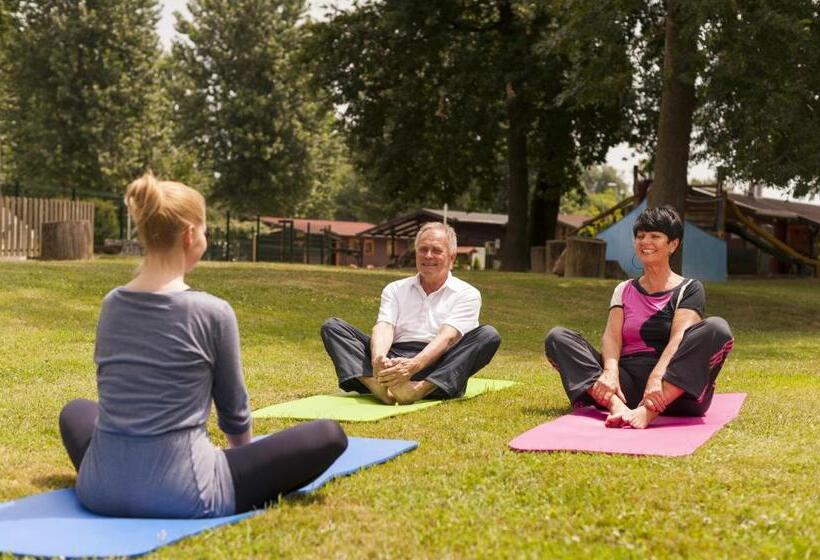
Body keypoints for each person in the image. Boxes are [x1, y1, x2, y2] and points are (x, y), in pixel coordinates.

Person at [58, 171, 348, 518]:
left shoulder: (112, 303)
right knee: (329, 435)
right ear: (190, 235)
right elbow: (233, 410)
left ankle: (124, 475)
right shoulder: (212, 311)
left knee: (75, 410)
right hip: (187, 492)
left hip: (99, 489)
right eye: (206, 230)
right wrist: (242, 461)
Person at [545, 206, 734, 429]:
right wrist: (610, 373)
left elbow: (678, 339)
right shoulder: (623, 289)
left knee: (717, 328)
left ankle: (648, 412)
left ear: (673, 245)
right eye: (640, 236)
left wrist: (656, 378)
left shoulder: (690, 289)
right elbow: (612, 337)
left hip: (674, 391)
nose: (645, 241)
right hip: (625, 388)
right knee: (557, 337)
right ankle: (617, 408)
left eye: (655, 236)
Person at [321, 222, 501, 405]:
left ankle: (415, 391)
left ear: (452, 257)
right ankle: (378, 386)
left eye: (436, 250)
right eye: (423, 249)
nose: (428, 256)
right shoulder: (395, 289)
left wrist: (413, 366)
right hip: (393, 359)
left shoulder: (467, 293)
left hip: (437, 367)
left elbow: (447, 337)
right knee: (333, 327)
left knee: (488, 335)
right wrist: (378, 360)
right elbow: (384, 326)